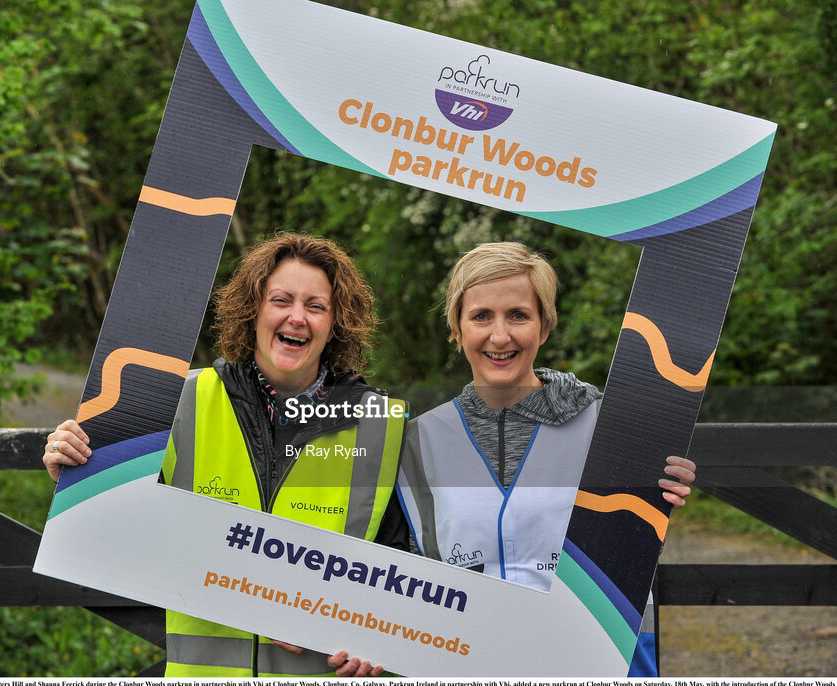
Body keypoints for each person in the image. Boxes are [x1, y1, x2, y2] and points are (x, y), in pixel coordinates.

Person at [43, 233, 404, 678]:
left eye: (316, 306)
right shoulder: (179, 401)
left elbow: (403, 579)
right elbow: (110, 526)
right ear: (253, 310)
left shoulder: (380, 424)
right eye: (281, 300)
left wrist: (368, 634)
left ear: (337, 323)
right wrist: (76, 468)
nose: (296, 317)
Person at [396, 242, 696, 677]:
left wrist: (660, 492)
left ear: (545, 326)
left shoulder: (610, 429)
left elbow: (632, 551)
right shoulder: (415, 442)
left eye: (518, 315)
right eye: (481, 316)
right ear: (457, 328)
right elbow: (405, 575)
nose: (500, 336)